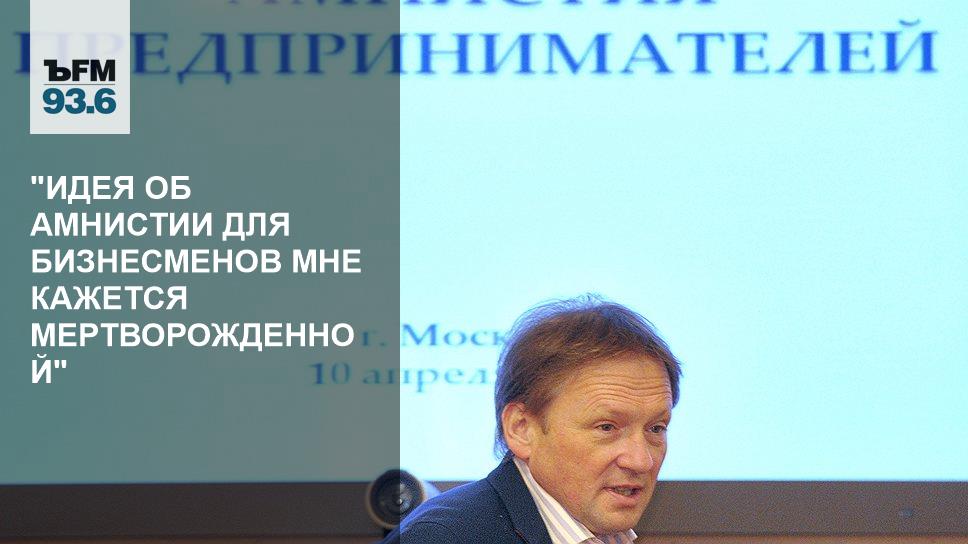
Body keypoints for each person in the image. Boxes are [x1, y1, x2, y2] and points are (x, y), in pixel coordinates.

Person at [383, 295, 682, 544]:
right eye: (607, 427)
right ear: (521, 429)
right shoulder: (446, 537)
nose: (641, 461)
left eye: (656, 428)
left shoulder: (607, 534)